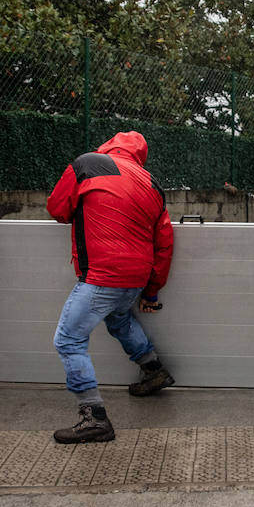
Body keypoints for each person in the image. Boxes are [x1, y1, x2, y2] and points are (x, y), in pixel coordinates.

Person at [46, 131, 175, 444]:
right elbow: (164, 242)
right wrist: (151, 291)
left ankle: (94, 416)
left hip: (103, 274)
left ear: (109, 146)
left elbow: (58, 209)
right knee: (119, 319)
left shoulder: (88, 164)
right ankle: (153, 369)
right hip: (136, 278)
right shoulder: (152, 183)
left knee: (68, 339)